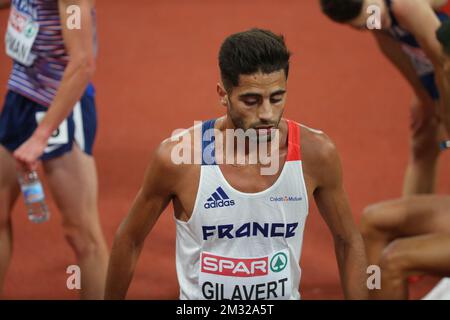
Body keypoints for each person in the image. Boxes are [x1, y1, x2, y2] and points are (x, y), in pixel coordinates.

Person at [104, 28, 368, 300]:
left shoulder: (316, 154)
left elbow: (348, 240)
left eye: (276, 98)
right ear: (223, 94)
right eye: (250, 101)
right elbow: (129, 239)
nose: (266, 113)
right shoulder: (180, 158)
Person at [0, 0, 108, 299]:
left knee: (82, 234)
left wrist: (40, 135)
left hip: (59, 107)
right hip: (20, 96)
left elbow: (83, 62)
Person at [320, 0, 450, 195]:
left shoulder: (406, 6)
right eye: (363, 25)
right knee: (424, 137)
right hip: (433, 65)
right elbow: (398, 56)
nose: (374, 24)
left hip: (444, 61)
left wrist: (445, 113)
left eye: (372, 16)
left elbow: (444, 64)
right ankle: (412, 221)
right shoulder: (376, 16)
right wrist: (426, 101)